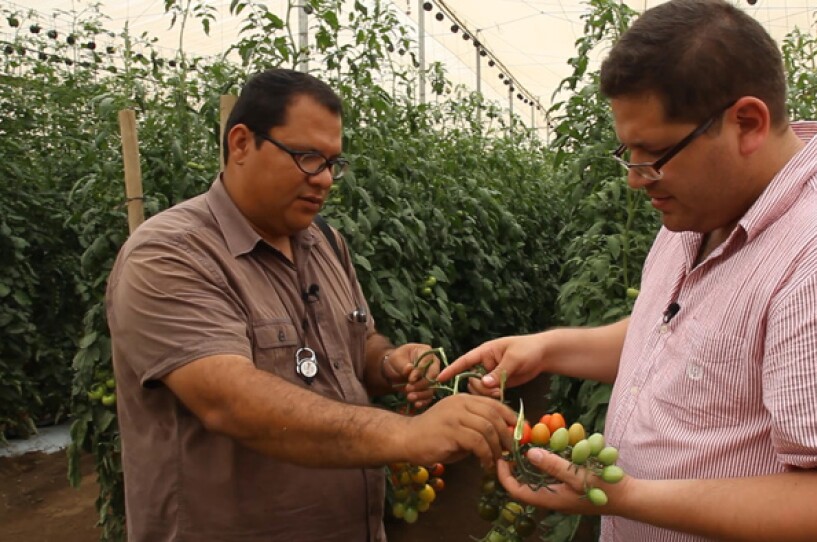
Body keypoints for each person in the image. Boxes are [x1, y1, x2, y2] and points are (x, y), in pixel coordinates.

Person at [438, 0, 817, 540]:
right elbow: (672, 338)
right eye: (628, 153)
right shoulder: (701, 207)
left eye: (652, 153)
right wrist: (547, 348)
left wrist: (629, 498)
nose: (635, 178)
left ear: (747, 123)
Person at [106, 68, 516, 542]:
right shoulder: (170, 254)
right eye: (306, 158)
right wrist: (406, 435)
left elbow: (356, 344)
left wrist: (389, 363)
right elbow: (228, 401)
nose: (324, 180)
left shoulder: (324, 241)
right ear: (241, 144)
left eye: (331, 163)